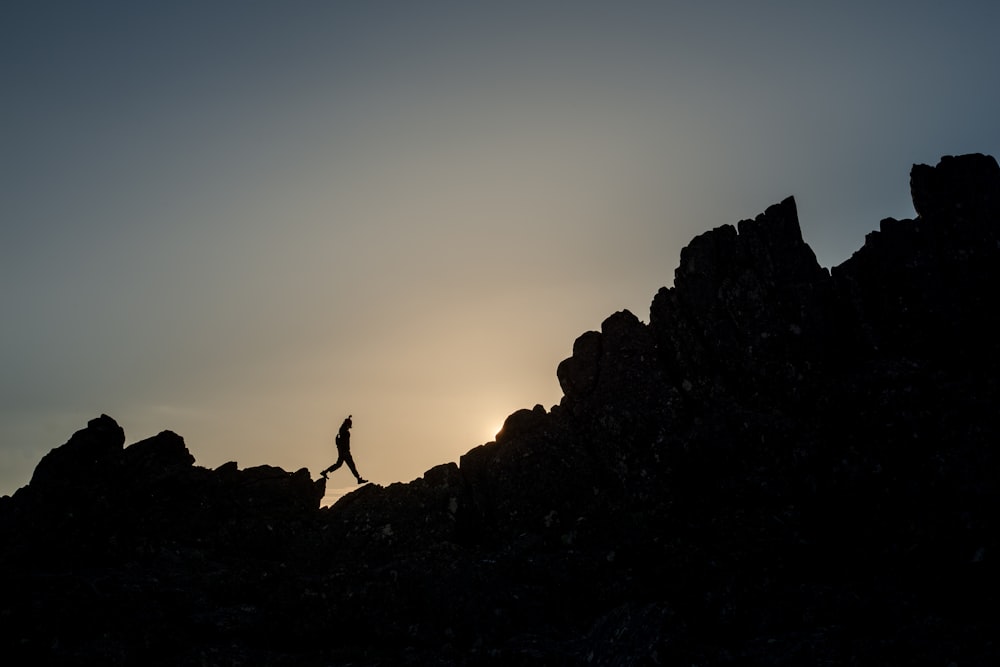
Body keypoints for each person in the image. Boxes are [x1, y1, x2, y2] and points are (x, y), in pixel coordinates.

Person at [321, 415, 368, 484]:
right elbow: (344, 442)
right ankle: (358, 479)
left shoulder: (342, 430)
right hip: (345, 452)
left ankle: (325, 472)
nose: (349, 427)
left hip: (342, 452)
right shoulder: (344, 432)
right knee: (352, 465)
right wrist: (345, 451)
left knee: (338, 464)